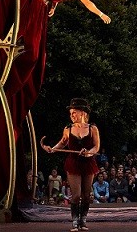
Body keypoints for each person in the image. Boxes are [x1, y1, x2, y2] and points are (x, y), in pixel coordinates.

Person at [41, 98, 100, 232]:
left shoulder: (93, 129)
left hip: (88, 163)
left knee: (86, 195)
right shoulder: (68, 129)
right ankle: (74, 221)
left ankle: (83, 220)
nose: (72, 115)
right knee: (76, 195)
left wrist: (89, 153)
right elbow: (62, 142)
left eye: (74, 112)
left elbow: (96, 147)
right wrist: (53, 149)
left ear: (83, 113)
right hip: (73, 163)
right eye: (70, 113)